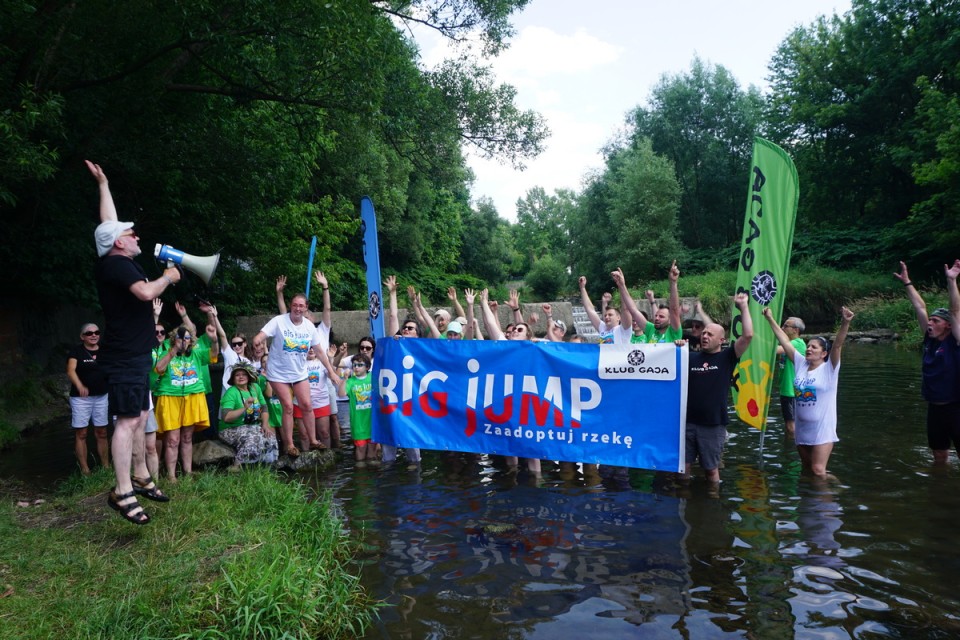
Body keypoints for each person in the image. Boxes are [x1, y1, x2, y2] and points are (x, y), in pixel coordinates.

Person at [87, 159, 176, 525]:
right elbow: (143, 292)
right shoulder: (117, 264)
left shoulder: (116, 252)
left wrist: (103, 184)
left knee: (139, 415)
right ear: (119, 243)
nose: (136, 235)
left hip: (136, 353)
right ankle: (122, 491)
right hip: (124, 356)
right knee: (126, 421)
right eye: (130, 233)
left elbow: (109, 224)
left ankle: (140, 474)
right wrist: (168, 277)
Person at [764, 306, 854, 478]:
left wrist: (845, 322)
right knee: (807, 469)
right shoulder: (800, 364)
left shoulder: (830, 369)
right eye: (808, 346)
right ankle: (809, 501)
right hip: (802, 429)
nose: (809, 349)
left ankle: (833, 493)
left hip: (822, 429)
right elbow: (783, 339)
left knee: (818, 470)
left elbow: (838, 346)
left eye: (814, 347)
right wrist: (769, 319)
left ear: (824, 353)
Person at [252, 293, 338, 458]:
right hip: (278, 373)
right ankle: (290, 445)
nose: (297, 308)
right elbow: (263, 334)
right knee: (289, 406)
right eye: (295, 305)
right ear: (291, 306)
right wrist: (257, 338)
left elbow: (320, 351)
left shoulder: (309, 327)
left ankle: (313, 440)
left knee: (307, 405)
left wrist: (332, 371)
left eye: (301, 306)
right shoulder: (279, 321)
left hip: (299, 372)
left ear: (306, 308)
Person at [682, 292, 753, 485]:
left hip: (712, 424)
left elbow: (748, 335)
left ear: (721, 340)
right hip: (686, 422)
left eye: (710, 334)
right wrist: (677, 346)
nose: (704, 336)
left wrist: (743, 307)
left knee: (711, 470)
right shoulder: (689, 356)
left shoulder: (727, 357)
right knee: (682, 470)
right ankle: (683, 501)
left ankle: (712, 504)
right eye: (703, 333)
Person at [895, 260, 960, 464]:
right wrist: (907, 283)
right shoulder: (930, 340)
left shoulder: (955, 341)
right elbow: (920, 307)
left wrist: (951, 281)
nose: (930, 323)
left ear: (948, 326)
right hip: (935, 408)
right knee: (939, 455)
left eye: (936, 321)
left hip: (956, 407)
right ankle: (941, 490)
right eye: (930, 320)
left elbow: (955, 310)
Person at [153, 326, 212, 481]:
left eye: (187, 338)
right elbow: (158, 368)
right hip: (170, 398)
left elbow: (213, 354)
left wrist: (214, 339)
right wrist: (173, 351)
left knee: (187, 437)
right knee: (172, 440)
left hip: (191, 397)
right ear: (174, 340)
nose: (184, 341)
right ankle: (171, 476)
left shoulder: (196, 354)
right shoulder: (167, 353)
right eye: (180, 338)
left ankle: (188, 472)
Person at [66, 322, 111, 475]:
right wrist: (79, 385)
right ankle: (85, 470)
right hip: (81, 399)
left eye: (96, 332)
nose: (93, 335)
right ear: (82, 337)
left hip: (102, 396)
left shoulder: (105, 351)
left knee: (102, 432)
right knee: (82, 433)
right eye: (89, 333)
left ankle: (106, 466)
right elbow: (71, 371)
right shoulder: (76, 352)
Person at [219, 363, 278, 467]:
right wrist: (245, 408)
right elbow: (226, 417)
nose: (241, 377)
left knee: (270, 436)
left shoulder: (255, 388)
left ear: (249, 376)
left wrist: (265, 424)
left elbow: (264, 408)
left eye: (244, 374)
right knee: (253, 437)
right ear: (233, 379)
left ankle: (268, 466)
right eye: (237, 375)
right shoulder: (231, 392)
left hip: (251, 426)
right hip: (230, 428)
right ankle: (237, 466)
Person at [339, 353, 378, 467]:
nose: (356, 367)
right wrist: (345, 379)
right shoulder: (351, 381)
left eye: (360, 365)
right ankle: (361, 479)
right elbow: (341, 394)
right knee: (360, 451)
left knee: (372, 453)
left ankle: (374, 479)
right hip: (358, 424)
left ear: (367, 367)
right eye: (354, 365)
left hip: (372, 422)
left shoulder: (373, 377)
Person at [776, 316, 807, 437]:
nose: (782, 328)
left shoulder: (798, 343)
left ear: (795, 330)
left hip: (791, 391)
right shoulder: (789, 343)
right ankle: (789, 446)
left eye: (785, 326)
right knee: (788, 424)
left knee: (791, 426)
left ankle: (795, 449)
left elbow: (775, 350)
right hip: (786, 389)